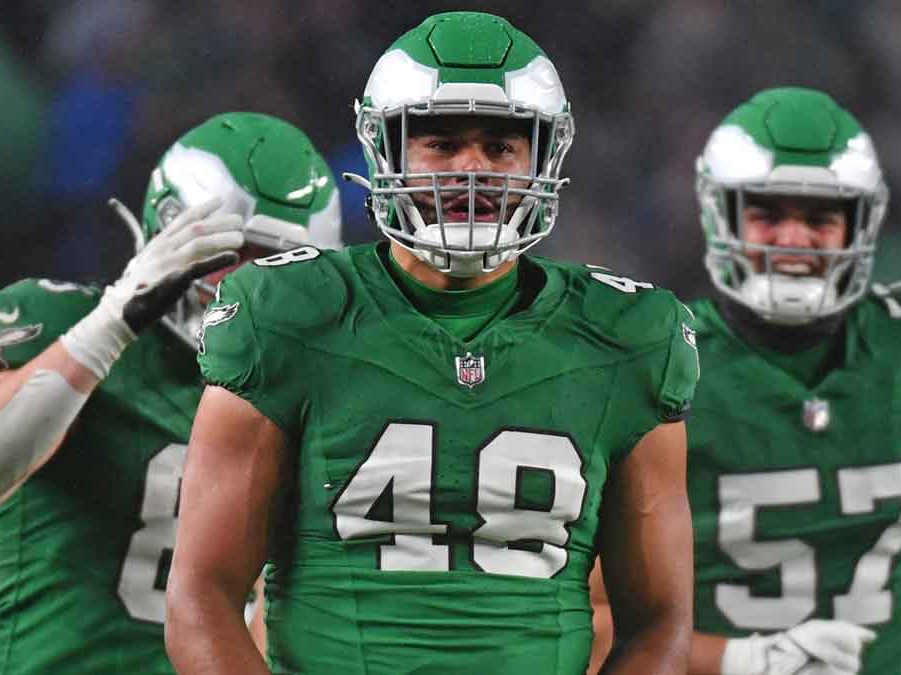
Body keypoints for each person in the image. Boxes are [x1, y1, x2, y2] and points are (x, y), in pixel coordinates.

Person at [165, 11, 699, 675]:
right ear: (385, 151)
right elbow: (200, 598)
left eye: (501, 148)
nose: (471, 170)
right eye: (440, 144)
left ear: (545, 159)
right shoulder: (285, 313)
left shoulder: (627, 335)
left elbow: (660, 622)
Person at [595, 87, 901, 675]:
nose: (794, 240)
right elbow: (587, 624)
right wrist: (741, 660)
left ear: (861, 223)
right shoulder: (657, 364)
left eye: (820, 217)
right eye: (768, 214)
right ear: (722, 215)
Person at [0, 111, 342, 674]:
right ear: (171, 229)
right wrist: (112, 323)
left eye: (282, 264)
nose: (255, 285)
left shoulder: (302, 400)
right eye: (234, 252)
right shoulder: (62, 318)